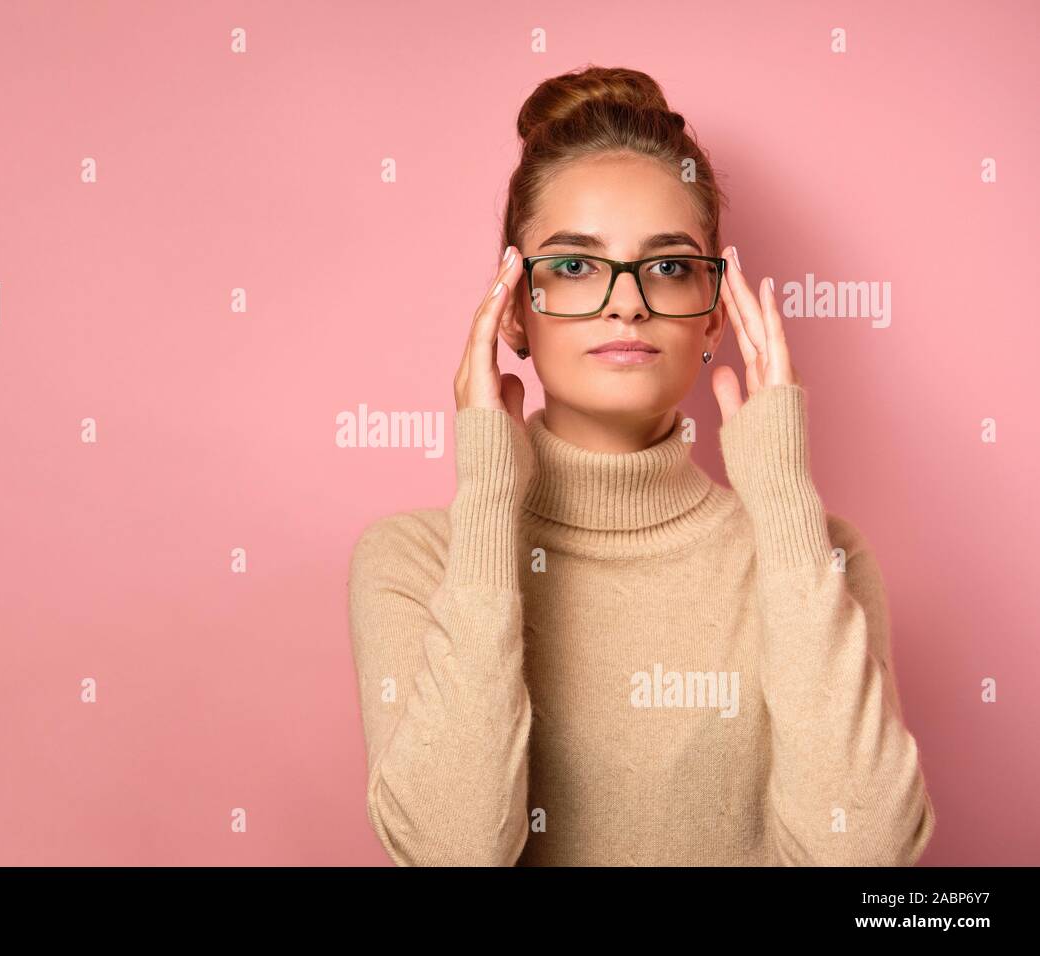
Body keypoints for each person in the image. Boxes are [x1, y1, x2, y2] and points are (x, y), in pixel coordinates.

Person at [346, 64, 936, 866]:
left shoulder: (821, 552)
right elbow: (453, 851)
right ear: (515, 309)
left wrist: (783, 500)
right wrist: (488, 494)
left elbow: (868, 860)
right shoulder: (415, 558)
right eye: (575, 265)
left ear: (714, 318)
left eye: (666, 266)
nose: (628, 302)